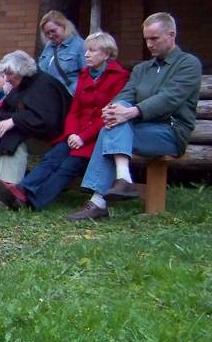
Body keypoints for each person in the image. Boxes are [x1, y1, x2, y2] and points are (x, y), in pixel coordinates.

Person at [66, 12, 202, 221]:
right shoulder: (142, 68)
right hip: (138, 128)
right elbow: (125, 95)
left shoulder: (188, 64)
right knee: (112, 124)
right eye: (146, 38)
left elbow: (169, 98)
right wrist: (114, 109)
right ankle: (120, 182)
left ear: (171, 34)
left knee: (114, 126)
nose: (149, 44)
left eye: (154, 38)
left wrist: (131, 112)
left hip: (171, 131)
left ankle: (101, 199)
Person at [0, 32, 129, 211]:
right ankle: (20, 190)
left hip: (98, 136)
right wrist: (72, 133)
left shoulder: (119, 77)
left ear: (106, 54)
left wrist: (83, 137)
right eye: (86, 50)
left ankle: (31, 201)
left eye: (92, 50)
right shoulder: (85, 75)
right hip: (76, 134)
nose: (86, 54)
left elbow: (109, 114)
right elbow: (74, 110)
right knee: (52, 158)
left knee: (68, 167)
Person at [0, 50, 72, 201]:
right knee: (0, 131)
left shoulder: (45, 85)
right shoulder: (22, 85)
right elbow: (5, 108)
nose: (7, 79)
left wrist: (15, 120)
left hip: (57, 140)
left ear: (22, 70)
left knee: (11, 134)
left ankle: (6, 187)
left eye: (9, 73)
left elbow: (48, 120)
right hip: (34, 134)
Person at [38, 10, 86, 95]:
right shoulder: (48, 48)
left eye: (53, 31)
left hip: (69, 96)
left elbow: (87, 75)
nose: (50, 35)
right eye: (47, 33)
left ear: (64, 26)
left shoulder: (79, 45)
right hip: (48, 96)